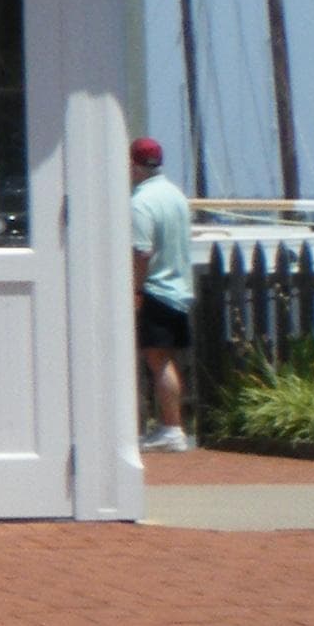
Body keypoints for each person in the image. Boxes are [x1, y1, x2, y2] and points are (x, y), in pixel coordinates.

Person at [131, 136, 196, 453]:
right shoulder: (176, 196)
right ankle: (171, 426)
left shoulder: (141, 202)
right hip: (179, 287)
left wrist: (136, 290)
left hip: (155, 288)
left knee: (157, 360)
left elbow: (141, 251)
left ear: (133, 165)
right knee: (166, 359)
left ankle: (171, 429)